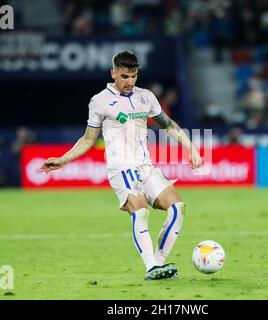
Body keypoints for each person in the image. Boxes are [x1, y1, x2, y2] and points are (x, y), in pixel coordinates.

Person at [40, 50, 202, 280]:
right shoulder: (100, 101)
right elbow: (88, 139)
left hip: (146, 167)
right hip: (121, 168)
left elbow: (168, 125)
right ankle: (151, 268)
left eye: (134, 75)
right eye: (125, 76)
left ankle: (158, 264)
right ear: (113, 73)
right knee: (141, 212)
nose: (130, 81)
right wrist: (63, 160)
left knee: (178, 209)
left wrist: (192, 149)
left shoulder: (145, 97)